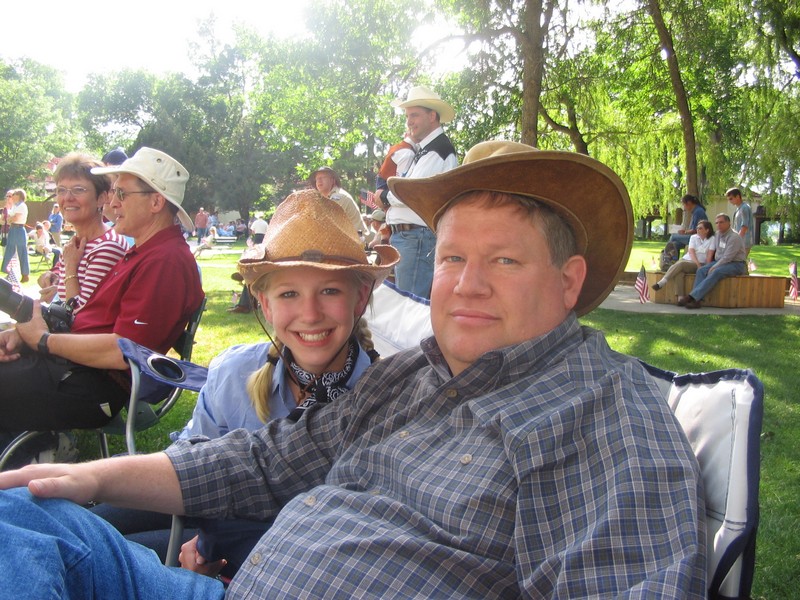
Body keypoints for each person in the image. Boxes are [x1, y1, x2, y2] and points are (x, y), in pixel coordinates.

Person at [0, 140, 706, 599]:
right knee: (16, 516)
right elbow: (261, 461)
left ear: (569, 280)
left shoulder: (604, 421)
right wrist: (90, 477)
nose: (466, 285)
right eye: (454, 258)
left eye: (505, 260)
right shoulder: (417, 376)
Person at [93, 189, 399, 577]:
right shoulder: (234, 372)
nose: (310, 313)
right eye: (289, 293)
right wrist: (197, 546)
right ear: (265, 305)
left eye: (329, 291)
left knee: (106, 562)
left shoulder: (385, 397)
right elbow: (188, 459)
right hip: (206, 517)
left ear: (359, 300)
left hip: (284, 562)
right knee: (94, 522)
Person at [0, 147, 204, 433]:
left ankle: (36, 454)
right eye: (112, 193)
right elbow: (86, 318)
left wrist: (43, 341)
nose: (112, 203)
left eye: (121, 194)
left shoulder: (165, 261)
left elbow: (124, 352)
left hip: (91, 386)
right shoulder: (143, 253)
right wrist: (22, 336)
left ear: (156, 201)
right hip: (74, 368)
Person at [380, 85, 458, 299]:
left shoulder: (437, 151)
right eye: (407, 116)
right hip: (412, 237)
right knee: (409, 306)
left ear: (432, 116)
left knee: (410, 308)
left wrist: (384, 196)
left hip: (416, 237)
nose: (409, 121)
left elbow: (413, 191)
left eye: (414, 115)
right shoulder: (429, 149)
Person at [37, 152, 130, 308]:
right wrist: (50, 278)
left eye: (78, 190)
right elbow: (62, 290)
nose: (67, 198)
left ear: (102, 198)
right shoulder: (74, 245)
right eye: (61, 190)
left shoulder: (108, 247)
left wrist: (70, 266)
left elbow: (80, 316)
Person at [679, 213, 747, 309]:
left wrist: (714, 266)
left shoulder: (734, 237)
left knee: (716, 271)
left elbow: (728, 257)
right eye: (717, 223)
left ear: (729, 223)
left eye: (721, 222)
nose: (718, 225)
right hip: (720, 261)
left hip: (736, 264)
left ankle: (692, 297)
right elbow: (716, 251)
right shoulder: (718, 234)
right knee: (701, 270)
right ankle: (696, 300)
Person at [652, 219, 715, 297]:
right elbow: (691, 252)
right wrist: (697, 263)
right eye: (697, 228)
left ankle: (662, 282)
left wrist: (704, 268)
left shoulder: (712, 239)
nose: (697, 230)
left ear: (707, 230)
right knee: (679, 272)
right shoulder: (693, 237)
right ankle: (680, 298)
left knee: (679, 265)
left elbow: (709, 255)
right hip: (688, 260)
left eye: (700, 228)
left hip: (699, 263)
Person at [309, 166, 366, 236]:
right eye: (317, 179)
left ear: (333, 180)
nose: (319, 181)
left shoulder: (339, 196)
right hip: (346, 238)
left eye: (323, 177)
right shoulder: (327, 198)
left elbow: (327, 223)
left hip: (356, 240)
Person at [1, 188, 30, 283]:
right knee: (9, 249)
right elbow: (8, 219)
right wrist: (10, 219)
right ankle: (7, 270)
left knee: (22, 251)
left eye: (15, 194)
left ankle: (25, 274)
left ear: (19, 196)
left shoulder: (21, 206)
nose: (12, 196)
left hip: (19, 228)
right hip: (13, 229)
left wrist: (10, 219)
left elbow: (13, 218)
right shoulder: (14, 206)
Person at [727, 187, 754, 256]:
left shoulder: (744, 208)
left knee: (740, 262)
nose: (730, 201)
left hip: (744, 241)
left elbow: (744, 226)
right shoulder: (738, 209)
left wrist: (737, 241)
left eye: (731, 198)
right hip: (740, 241)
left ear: (738, 197)